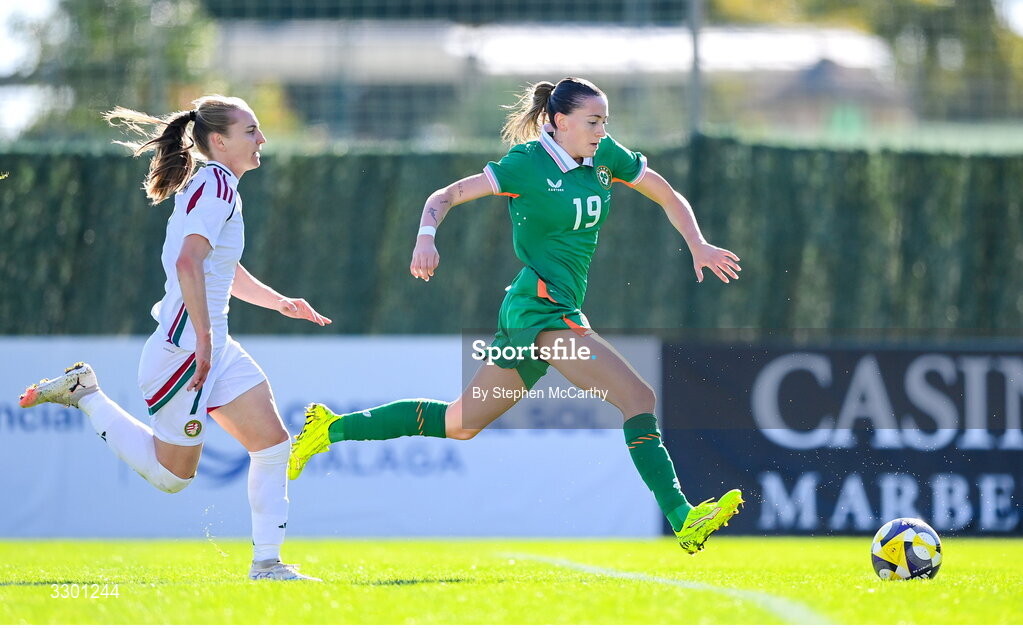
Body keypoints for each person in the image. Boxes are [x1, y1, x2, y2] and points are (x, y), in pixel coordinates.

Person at [288, 77, 743, 553]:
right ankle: (683, 516)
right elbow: (441, 197)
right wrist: (426, 237)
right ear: (559, 121)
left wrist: (698, 243)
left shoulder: (604, 154)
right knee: (638, 397)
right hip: (540, 312)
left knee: (461, 423)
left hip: (540, 314)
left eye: (604, 121)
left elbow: (666, 192)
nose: (600, 130)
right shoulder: (525, 165)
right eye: (592, 121)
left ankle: (330, 427)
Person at [18, 95, 330, 580]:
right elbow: (188, 263)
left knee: (272, 445)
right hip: (186, 351)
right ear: (220, 141)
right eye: (251, 131)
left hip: (210, 344)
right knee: (172, 479)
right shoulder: (217, 184)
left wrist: (280, 302)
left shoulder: (219, 185)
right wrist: (204, 339)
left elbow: (219, 266)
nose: (262, 139)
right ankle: (87, 394)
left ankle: (267, 565)